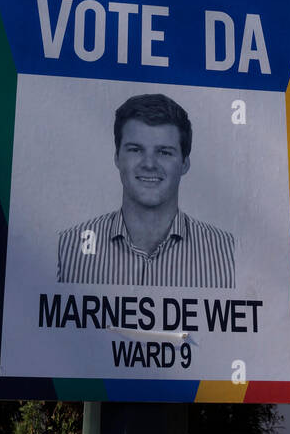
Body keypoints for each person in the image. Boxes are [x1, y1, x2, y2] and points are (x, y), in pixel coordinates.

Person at [57, 93, 235, 288]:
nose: (149, 164)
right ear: (117, 157)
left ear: (184, 163)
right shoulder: (67, 249)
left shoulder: (226, 252)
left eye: (164, 152)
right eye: (135, 150)